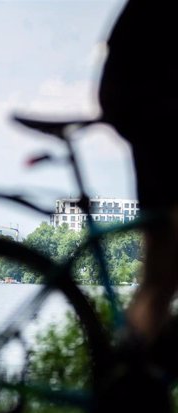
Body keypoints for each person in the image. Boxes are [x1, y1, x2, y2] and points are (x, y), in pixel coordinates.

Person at [99, 0, 178, 346]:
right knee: (163, 269)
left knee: (160, 276)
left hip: (142, 98)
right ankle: (133, 370)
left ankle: (132, 376)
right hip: (152, 105)